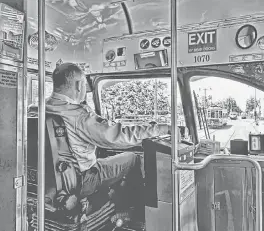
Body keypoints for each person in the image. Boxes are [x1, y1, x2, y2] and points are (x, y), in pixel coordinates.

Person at [45, 63, 171, 216]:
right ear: (78, 85)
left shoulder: (38, 109)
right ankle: (132, 213)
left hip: (51, 181)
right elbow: (116, 136)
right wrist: (159, 129)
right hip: (83, 179)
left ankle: (106, 203)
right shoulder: (78, 114)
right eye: (85, 85)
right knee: (133, 159)